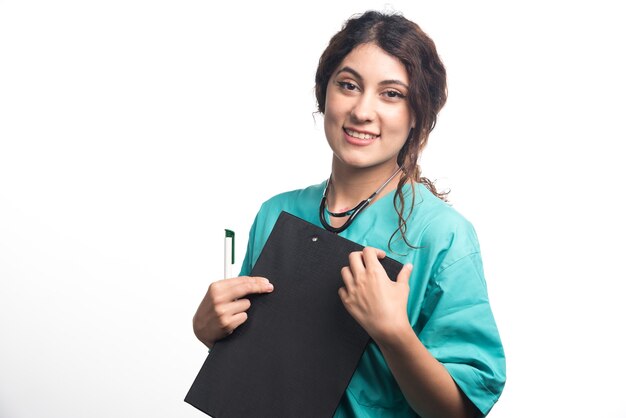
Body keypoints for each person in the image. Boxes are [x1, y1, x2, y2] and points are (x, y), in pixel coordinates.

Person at [192, 10, 506, 418]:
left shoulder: (443, 236)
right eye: (349, 85)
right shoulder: (277, 213)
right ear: (325, 94)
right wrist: (209, 330)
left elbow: (462, 411)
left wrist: (393, 334)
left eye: (391, 94)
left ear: (417, 114)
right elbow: (256, 369)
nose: (361, 111)